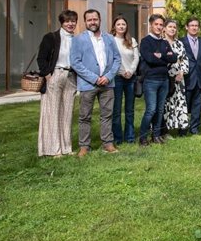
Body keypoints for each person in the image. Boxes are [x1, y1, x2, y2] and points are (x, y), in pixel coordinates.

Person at [70, 9, 121, 156]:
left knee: (107, 115)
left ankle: (108, 144)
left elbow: (117, 59)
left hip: (107, 83)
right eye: (89, 20)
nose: (93, 22)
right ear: (85, 22)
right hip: (88, 84)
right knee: (85, 116)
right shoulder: (78, 39)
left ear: (100, 20)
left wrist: (109, 76)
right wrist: (94, 78)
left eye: (95, 19)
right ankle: (84, 146)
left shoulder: (109, 38)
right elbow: (75, 62)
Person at [36, 10, 78, 157]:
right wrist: (47, 75)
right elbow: (41, 58)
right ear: (62, 22)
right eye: (67, 21)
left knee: (67, 113)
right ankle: (53, 149)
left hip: (71, 77)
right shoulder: (51, 37)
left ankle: (66, 148)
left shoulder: (76, 40)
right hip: (55, 74)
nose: (70, 24)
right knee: (52, 113)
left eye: (73, 21)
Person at [138, 14, 176, 146]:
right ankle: (143, 138)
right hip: (151, 80)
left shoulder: (165, 42)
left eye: (161, 25)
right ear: (151, 25)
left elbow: (174, 58)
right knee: (151, 110)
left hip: (164, 80)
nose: (159, 27)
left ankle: (156, 135)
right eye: (156, 24)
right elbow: (149, 58)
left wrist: (161, 56)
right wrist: (165, 57)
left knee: (160, 110)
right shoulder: (145, 41)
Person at [110, 15, 139, 145]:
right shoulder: (111, 40)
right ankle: (117, 138)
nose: (121, 26)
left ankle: (130, 137)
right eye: (119, 24)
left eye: (123, 24)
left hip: (130, 78)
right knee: (116, 110)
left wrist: (131, 71)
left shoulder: (131, 41)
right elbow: (112, 59)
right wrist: (122, 72)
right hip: (117, 78)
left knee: (129, 109)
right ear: (114, 26)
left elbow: (136, 58)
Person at [164, 19, 190, 135]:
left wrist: (181, 73)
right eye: (170, 27)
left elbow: (184, 60)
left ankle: (181, 128)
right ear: (164, 28)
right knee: (166, 104)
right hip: (165, 78)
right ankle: (165, 130)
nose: (172, 29)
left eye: (174, 27)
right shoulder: (161, 42)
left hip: (179, 79)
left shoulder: (179, 43)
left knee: (179, 104)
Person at [182, 17, 201, 135]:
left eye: (196, 25)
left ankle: (194, 128)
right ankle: (183, 129)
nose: (194, 27)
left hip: (200, 78)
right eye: (192, 25)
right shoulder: (181, 41)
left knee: (197, 106)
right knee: (184, 105)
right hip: (186, 78)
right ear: (187, 27)